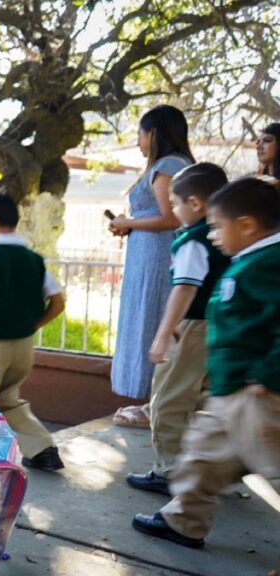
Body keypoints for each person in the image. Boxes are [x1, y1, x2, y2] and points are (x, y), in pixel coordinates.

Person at [132, 175, 280, 548]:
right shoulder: (248, 260)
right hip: (229, 390)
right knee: (200, 459)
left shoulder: (270, 263)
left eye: (217, 227)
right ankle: (183, 521)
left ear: (246, 225)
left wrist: (268, 374)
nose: (212, 235)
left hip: (257, 393)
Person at [125, 163, 230, 495]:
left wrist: (164, 333)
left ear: (195, 204)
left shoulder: (193, 241)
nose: (173, 211)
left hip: (192, 327)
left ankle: (169, 470)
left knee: (169, 399)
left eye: (175, 204)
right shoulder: (226, 237)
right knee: (205, 402)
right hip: (219, 327)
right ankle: (208, 471)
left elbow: (184, 287)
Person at [109, 105, 194, 425]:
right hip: (151, 256)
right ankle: (152, 404)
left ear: (155, 133)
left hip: (158, 259)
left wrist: (129, 222)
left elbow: (170, 218)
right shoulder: (175, 164)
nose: (138, 142)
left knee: (152, 320)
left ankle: (154, 405)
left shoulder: (168, 165)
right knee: (151, 321)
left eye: (141, 134)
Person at [0, 192, 66, 472]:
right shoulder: (33, 259)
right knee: (8, 399)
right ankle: (43, 448)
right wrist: (31, 326)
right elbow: (58, 303)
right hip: (23, 346)